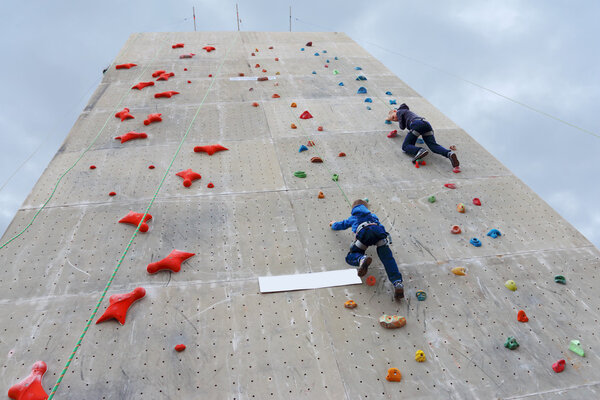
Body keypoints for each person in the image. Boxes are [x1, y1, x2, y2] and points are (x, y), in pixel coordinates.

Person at [329, 199, 404, 300]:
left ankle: (361, 259)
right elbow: (381, 226)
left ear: (353, 209)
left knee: (352, 255)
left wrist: (333, 224)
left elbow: (341, 225)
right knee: (388, 259)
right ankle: (397, 282)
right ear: (366, 208)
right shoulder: (373, 216)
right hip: (378, 233)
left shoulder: (353, 217)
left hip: (364, 235)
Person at [387, 104, 459, 168]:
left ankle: (420, 150)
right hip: (426, 125)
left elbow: (402, 127)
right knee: (433, 146)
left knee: (405, 146)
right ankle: (449, 154)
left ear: (394, 111)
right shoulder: (404, 113)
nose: (396, 119)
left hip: (416, 124)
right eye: (394, 120)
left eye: (393, 117)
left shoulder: (400, 111)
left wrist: (390, 118)